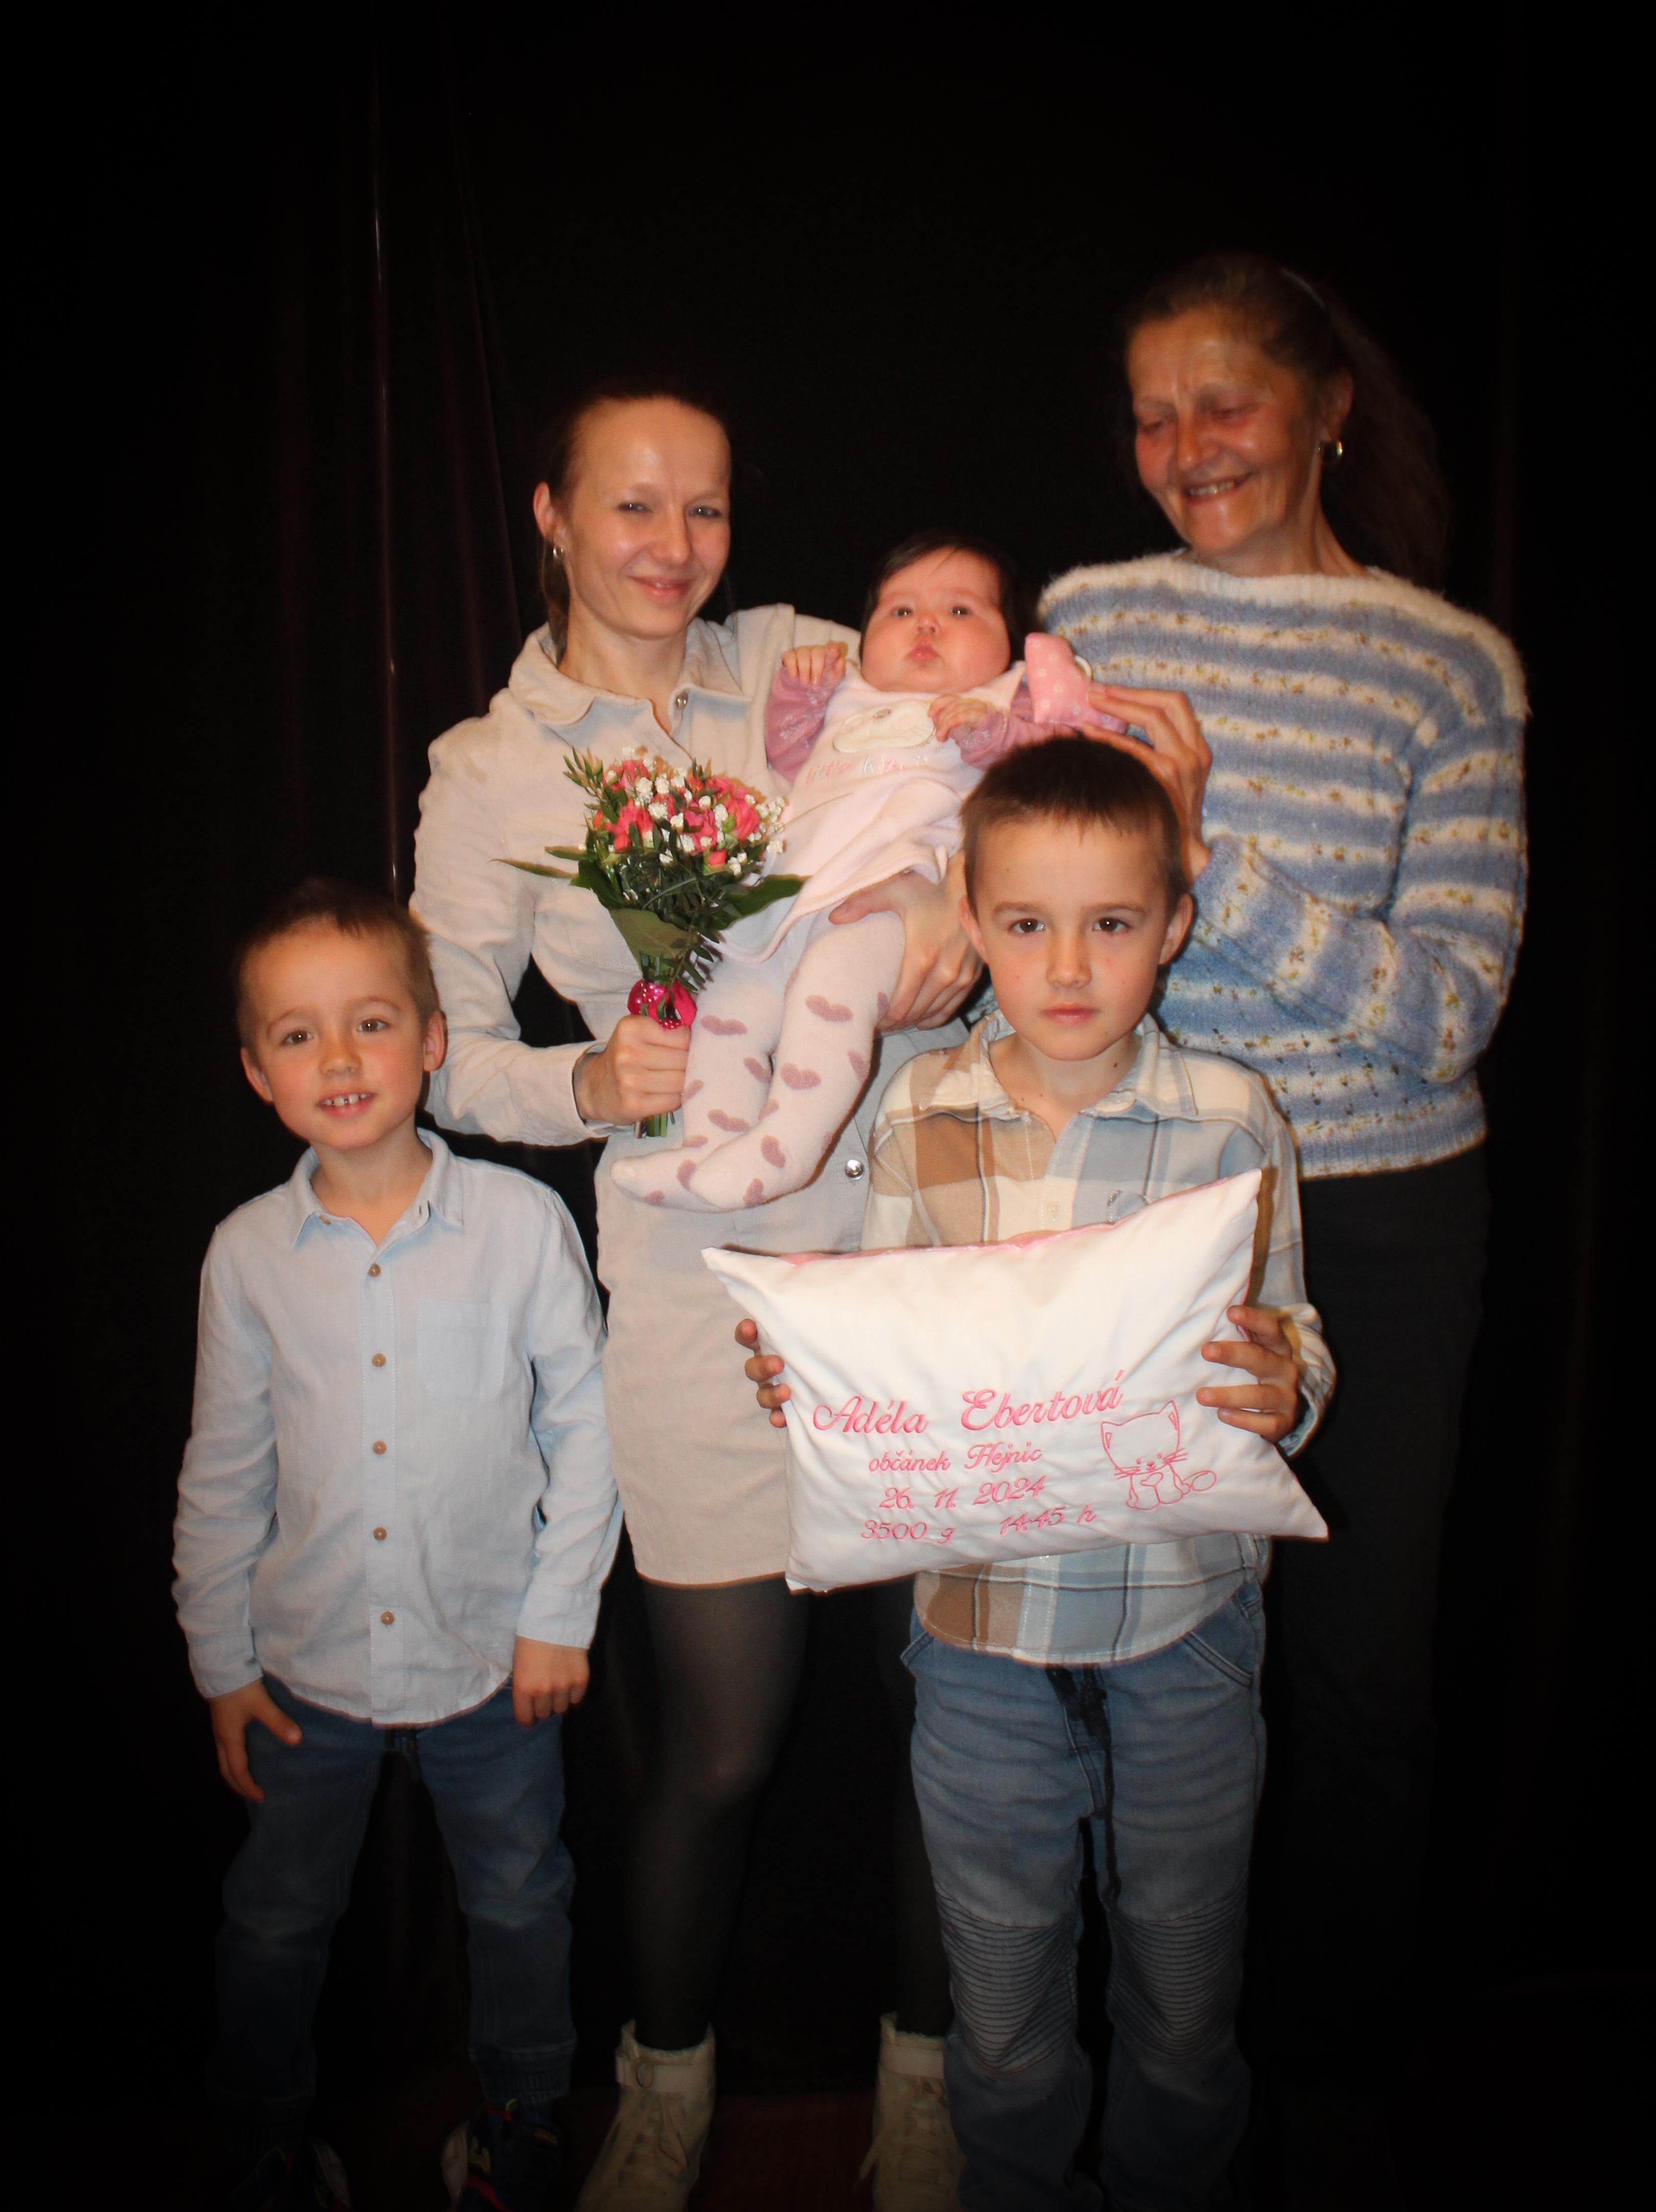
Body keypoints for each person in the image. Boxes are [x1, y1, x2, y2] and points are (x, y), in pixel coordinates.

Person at [411, 387, 982, 2210]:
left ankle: (927, 2087)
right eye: (635, 507)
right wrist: (587, 1083)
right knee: (722, 1739)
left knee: (946, 1721)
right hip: (690, 1281)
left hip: (911, 1244)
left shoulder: (812, 658)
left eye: (707, 510)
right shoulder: (492, 770)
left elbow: (992, 757)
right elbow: (445, 1055)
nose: (675, 548)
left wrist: (961, 917)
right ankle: (664, 2091)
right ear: (552, 514)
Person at [1038, 252, 1528, 2201]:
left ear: (1325, 408)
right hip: (1139, 1203)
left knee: (1355, 1680)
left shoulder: (1447, 666)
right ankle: (1149, 2072)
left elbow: (1446, 1010)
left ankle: (1322, 2087)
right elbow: (1020, 912)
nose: (1183, 449)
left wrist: (1202, 854)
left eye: (1221, 403)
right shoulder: (1085, 623)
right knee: (1126, 1665)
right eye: (1149, 415)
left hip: (1382, 1221)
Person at [742, 735, 1334, 2209]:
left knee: (1185, 2001)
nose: (1067, 966)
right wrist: (816, 1376)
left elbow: (1290, 1330)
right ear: (969, 912)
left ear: (1175, 921)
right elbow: (890, 1334)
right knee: (1000, 2015)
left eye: (1111, 922)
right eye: (1024, 923)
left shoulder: (1232, 1117)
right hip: (979, 1643)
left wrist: (1291, 1385)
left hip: (1187, 1624)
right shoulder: (917, 1113)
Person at [172, 881, 620, 2212]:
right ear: (257, 1073)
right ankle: (261, 2135)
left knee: (520, 1903)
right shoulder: (246, 1258)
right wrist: (220, 1665)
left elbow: (588, 1428)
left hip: (493, 1664)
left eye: (370, 1021)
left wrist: (558, 1617)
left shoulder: (521, 1226)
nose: (340, 1057)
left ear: (432, 1038)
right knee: (272, 1921)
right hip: (303, 1675)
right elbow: (222, 1472)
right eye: (297, 1034)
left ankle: (522, 2117)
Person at [611, 530, 1060, 1214]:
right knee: (727, 1002)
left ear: (1012, 640)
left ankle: (786, 1147)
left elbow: (1053, 767)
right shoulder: (848, 694)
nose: (926, 626)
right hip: (795, 893)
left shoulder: (1006, 697)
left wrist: (993, 732)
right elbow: (791, 756)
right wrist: (800, 691)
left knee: (831, 990)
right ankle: (710, 1145)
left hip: (898, 896)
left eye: (961, 611)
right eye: (900, 611)